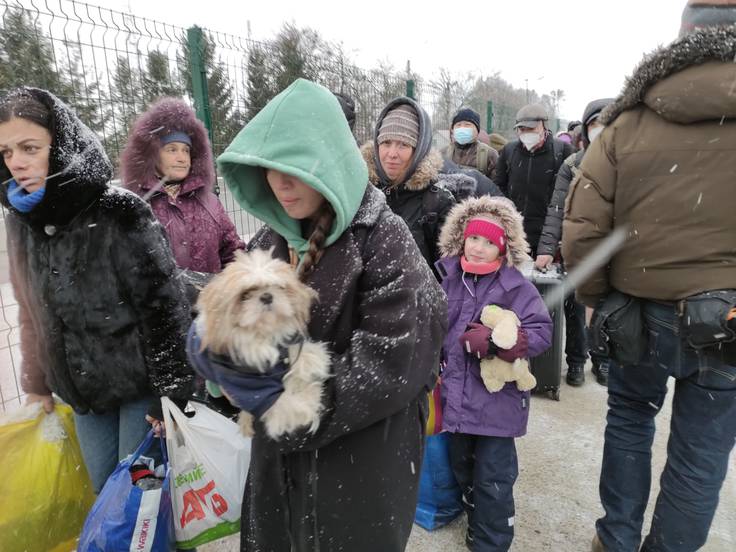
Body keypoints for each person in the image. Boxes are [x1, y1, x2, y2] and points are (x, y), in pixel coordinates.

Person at [193, 78, 447, 552]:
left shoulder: (386, 243)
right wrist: (224, 367)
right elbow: (242, 337)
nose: (280, 183)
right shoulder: (270, 242)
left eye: (295, 167)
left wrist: (279, 400)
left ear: (331, 161)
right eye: (269, 168)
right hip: (279, 479)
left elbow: (392, 366)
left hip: (358, 472)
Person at [562, 3, 736, 550]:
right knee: (702, 451)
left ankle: (615, 538)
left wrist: (594, 299)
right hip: (728, 318)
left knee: (630, 419)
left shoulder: (627, 121)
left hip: (637, 311)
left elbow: (584, 229)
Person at [0, 88, 194, 493]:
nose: (17, 162)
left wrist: (169, 393)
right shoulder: (21, 220)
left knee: (140, 502)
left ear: (62, 144)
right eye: (5, 152)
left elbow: (164, 306)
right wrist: (38, 382)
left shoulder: (118, 211)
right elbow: (29, 308)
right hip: (82, 394)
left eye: (29, 147)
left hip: (139, 392)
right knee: (104, 496)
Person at [436, 196, 552, 551]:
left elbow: (542, 331)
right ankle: (475, 520)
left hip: (495, 404)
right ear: (461, 238)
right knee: (463, 469)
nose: (480, 248)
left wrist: (502, 342)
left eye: (490, 242)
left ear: (503, 247)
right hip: (454, 399)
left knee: (494, 477)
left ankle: (492, 541)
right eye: (474, 238)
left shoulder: (515, 286)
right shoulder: (447, 278)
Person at [536, 98, 614, 387]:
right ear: (586, 128)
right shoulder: (573, 165)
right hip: (579, 249)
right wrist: (546, 249)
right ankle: (577, 362)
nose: (602, 129)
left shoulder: (631, 162)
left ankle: (603, 359)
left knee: (610, 311)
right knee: (578, 308)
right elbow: (556, 210)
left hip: (616, 249)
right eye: (595, 123)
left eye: (608, 122)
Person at [120, 97, 244, 276]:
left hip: (208, 303)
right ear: (152, 155)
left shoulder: (210, 203)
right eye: (172, 149)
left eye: (186, 150)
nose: (182, 158)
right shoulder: (135, 204)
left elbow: (233, 253)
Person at [361, 97, 456, 272]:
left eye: (403, 145)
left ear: (418, 150)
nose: (392, 154)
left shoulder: (437, 202)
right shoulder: (361, 192)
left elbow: (448, 276)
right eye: (386, 143)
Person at [494, 103, 575, 255]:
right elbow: (499, 186)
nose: (526, 133)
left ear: (543, 126)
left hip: (549, 235)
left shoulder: (563, 151)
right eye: (522, 129)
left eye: (531, 129)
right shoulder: (508, 151)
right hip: (514, 234)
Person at [442, 107, 499, 180]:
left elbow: (496, 186)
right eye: (458, 125)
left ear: (477, 130)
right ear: (452, 130)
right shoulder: (443, 154)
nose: (462, 128)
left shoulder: (489, 155)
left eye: (467, 125)